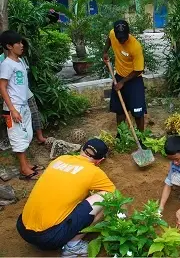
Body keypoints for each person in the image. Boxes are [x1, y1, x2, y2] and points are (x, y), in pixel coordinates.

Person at [16, 138, 115, 256]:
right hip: (48, 238)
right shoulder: (94, 171)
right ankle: (73, 246)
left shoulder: (60, 159)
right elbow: (114, 194)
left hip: (22, 228)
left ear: (82, 149)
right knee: (107, 197)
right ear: (100, 160)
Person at [0, 31, 41, 180]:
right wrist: (12, 109)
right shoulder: (6, 65)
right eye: (18, 43)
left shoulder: (20, 61)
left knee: (26, 135)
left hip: (23, 106)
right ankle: (24, 169)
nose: (21, 45)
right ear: (9, 46)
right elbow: (2, 87)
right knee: (17, 137)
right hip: (13, 108)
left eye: (21, 42)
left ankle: (26, 164)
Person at [103, 20, 147, 131]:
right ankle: (121, 135)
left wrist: (122, 82)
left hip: (134, 80)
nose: (121, 40)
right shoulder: (113, 34)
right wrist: (105, 52)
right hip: (119, 76)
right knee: (120, 110)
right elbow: (109, 39)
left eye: (124, 37)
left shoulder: (135, 46)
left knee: (138, 112)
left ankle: (141, 137)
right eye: (119, 38)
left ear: (128, 33)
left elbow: (138, 70)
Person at [0, 51, 47, 144]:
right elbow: (2, 83)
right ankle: (20, 142)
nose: (21, 46)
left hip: (26, 94)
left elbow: (24, 75)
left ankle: (39, 136)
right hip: (13, 98)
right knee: (17, 121)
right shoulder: (2, 60)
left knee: (34, 114)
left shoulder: (20, 59)